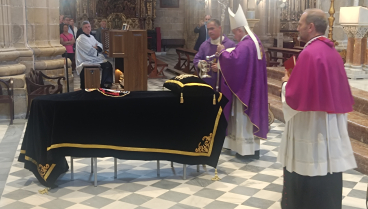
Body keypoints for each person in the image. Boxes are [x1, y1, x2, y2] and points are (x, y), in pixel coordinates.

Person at [278, 9, 356, 209]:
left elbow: (294, 96)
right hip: (328, 125)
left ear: (310, 27)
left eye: (300, 24)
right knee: (326, 171)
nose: (298, 28)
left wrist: (287, 82)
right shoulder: (332, 52)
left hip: (311, 127)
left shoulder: (309, 53)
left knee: (310, 168)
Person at [216, 5, 268, 158]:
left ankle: (244, 150)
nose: (234, 37)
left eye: (235, 33)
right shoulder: (256, 42)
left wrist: (222, 52)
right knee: (249, 118)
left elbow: (235, 62)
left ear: (240, 30)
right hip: (255, 86)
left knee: (242, 116)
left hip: (245, 88)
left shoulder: (245, 44)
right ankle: (252, 148)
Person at [193, 19, 236, 89]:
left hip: (224, 85)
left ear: (219, 28)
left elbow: (234, 64)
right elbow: (196, 60)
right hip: (207, 84)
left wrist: (220, 67)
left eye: (212, 28)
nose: (210, 31)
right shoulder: (204, 45)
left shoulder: (230, 45)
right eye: (208, 29)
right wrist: (202, 64)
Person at [76, 21, 113, 89]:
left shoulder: (91, 37)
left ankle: (105, 84)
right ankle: (99, 84)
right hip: (86, 59)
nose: (88, 28)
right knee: (107, 65)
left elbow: (99, 44)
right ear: (83, 29)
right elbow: (89, 50)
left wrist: (96, 47)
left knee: (108, 64)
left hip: (93, 58)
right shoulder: (81, 38)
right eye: (86, 27)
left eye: (89, 26)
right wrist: (95, 48)